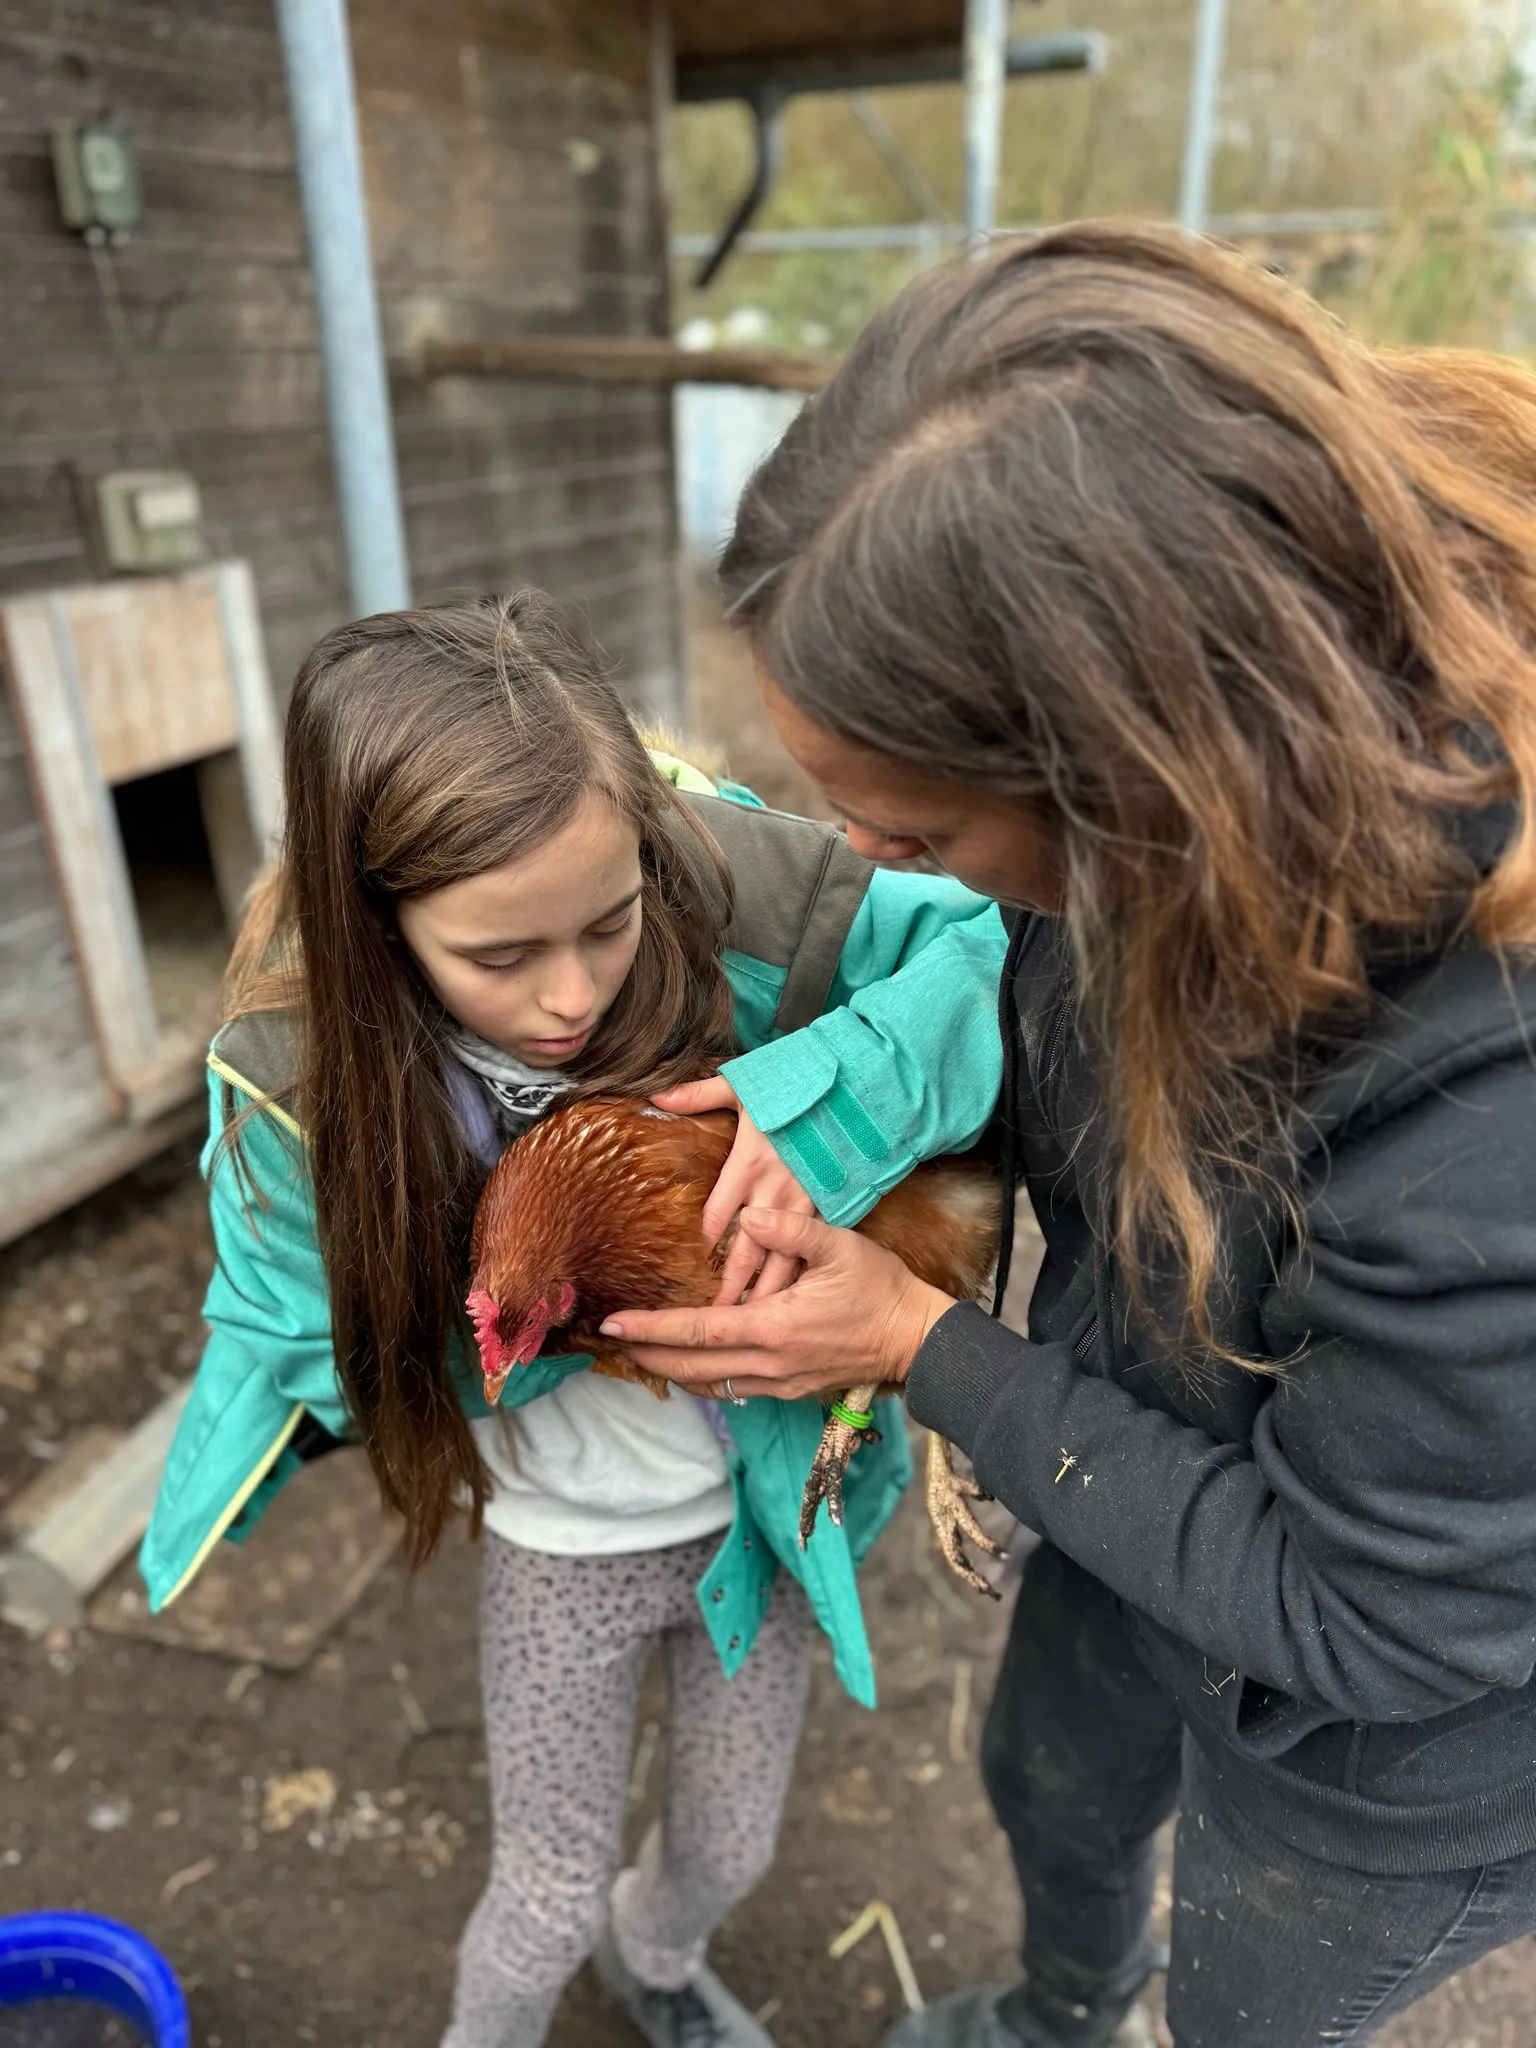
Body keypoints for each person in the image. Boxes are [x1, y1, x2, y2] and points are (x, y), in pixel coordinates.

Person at [595, 223, 1536, 2048]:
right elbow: (1018, 1017)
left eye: (923, 839)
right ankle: (1058, 2013)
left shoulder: (1485, 1126)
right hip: (1156, 1450)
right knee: (1056, 1781)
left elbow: (1367, 1619)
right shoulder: (1188, 839)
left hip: (1392, 1726)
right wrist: (835, 1108)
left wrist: (919, 1346)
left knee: (1256, 1998)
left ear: (1148, 792)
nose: (873, 864)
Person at [139, 592, 1008, 2048]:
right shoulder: (295, 1096)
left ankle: (659, 1971)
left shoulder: (744, 897)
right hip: (563, 1551)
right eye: (497, 956)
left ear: (650, 863)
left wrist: (832, 1106)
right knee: (543, 1893)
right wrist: (557, 1334)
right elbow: (318, 1348)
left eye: (608, 926)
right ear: (380, 925)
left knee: (729, 1849)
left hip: (760, 1518)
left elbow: (989, 950)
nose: (568, 994)